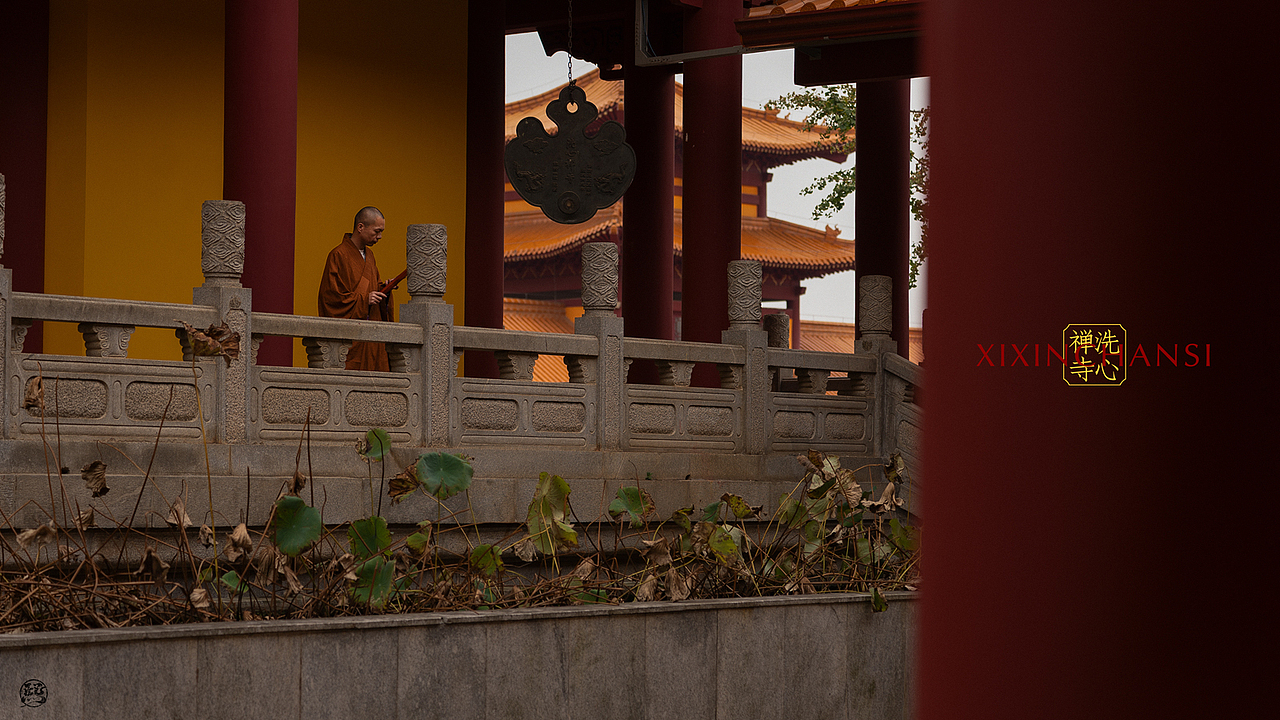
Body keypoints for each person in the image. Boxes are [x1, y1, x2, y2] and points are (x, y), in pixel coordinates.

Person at [318, 206, 393, 371]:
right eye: (377, 231)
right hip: (352, 339)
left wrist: (385, 289)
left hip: (371, 336)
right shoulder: (338, 255)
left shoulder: (370, 256)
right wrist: (365, 300)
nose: (379, 236)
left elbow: (372, 286)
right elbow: (330, 299)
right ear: (360, 227)